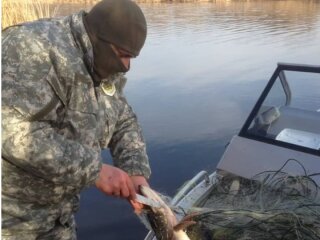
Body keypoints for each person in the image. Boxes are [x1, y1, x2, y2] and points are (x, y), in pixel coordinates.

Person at [1, 0, 151, 239]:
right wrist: (95, 170)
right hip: (13, 223)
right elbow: (15, 135)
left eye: (131, 57)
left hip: (60, 218)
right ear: (101, 40)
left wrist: (135, 170)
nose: (126, 67)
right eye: (123, 55)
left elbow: (122, 119)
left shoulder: (102, 62)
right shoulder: (30, 49)